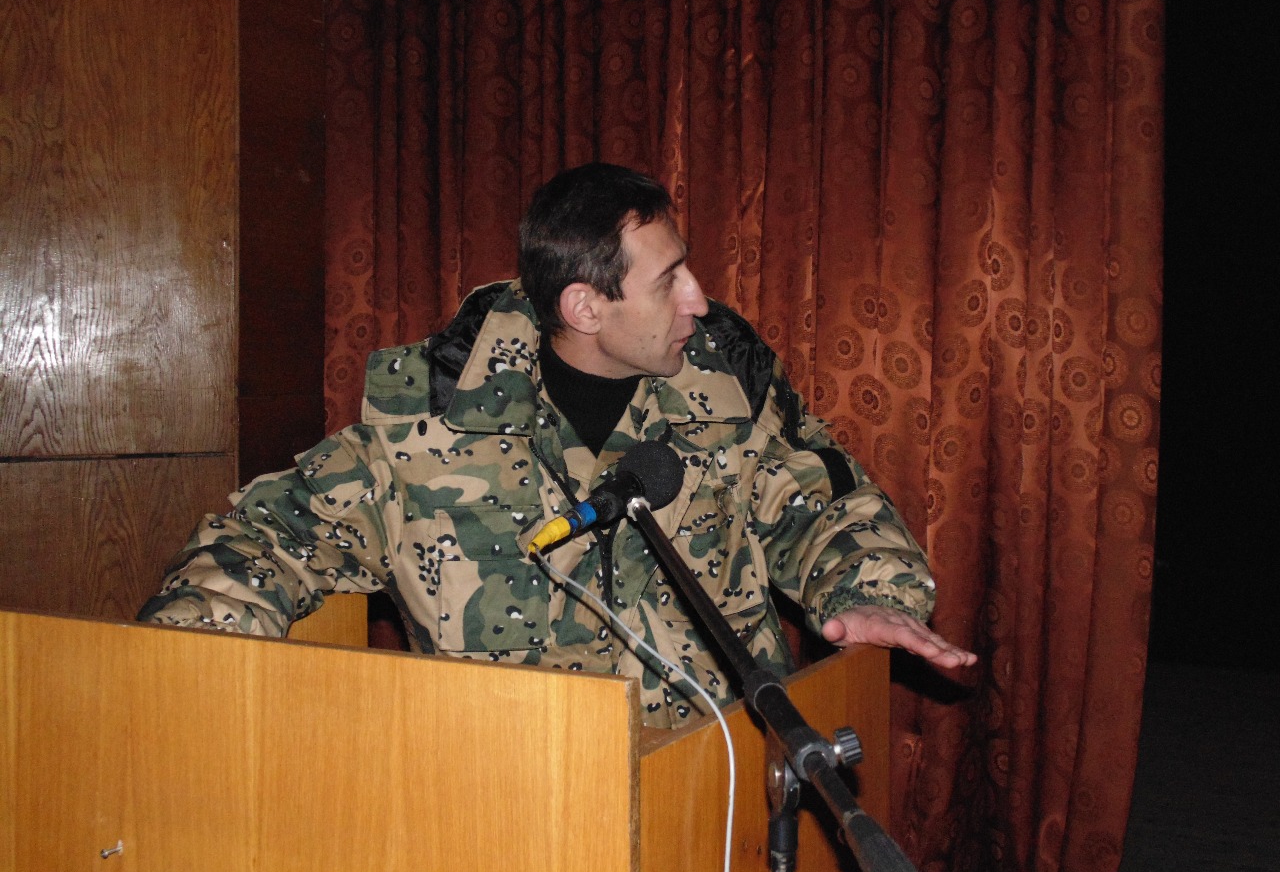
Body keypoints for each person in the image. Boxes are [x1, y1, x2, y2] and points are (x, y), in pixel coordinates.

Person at [139, 162, 975, 728]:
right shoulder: (424, 434)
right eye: (669, 280)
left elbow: (823, 508)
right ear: (584, 307)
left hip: (715, 802)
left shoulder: (730, 398)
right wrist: (181, 666)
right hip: (512, 808)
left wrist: (871, 591)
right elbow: (265, 537)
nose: (699, 299)